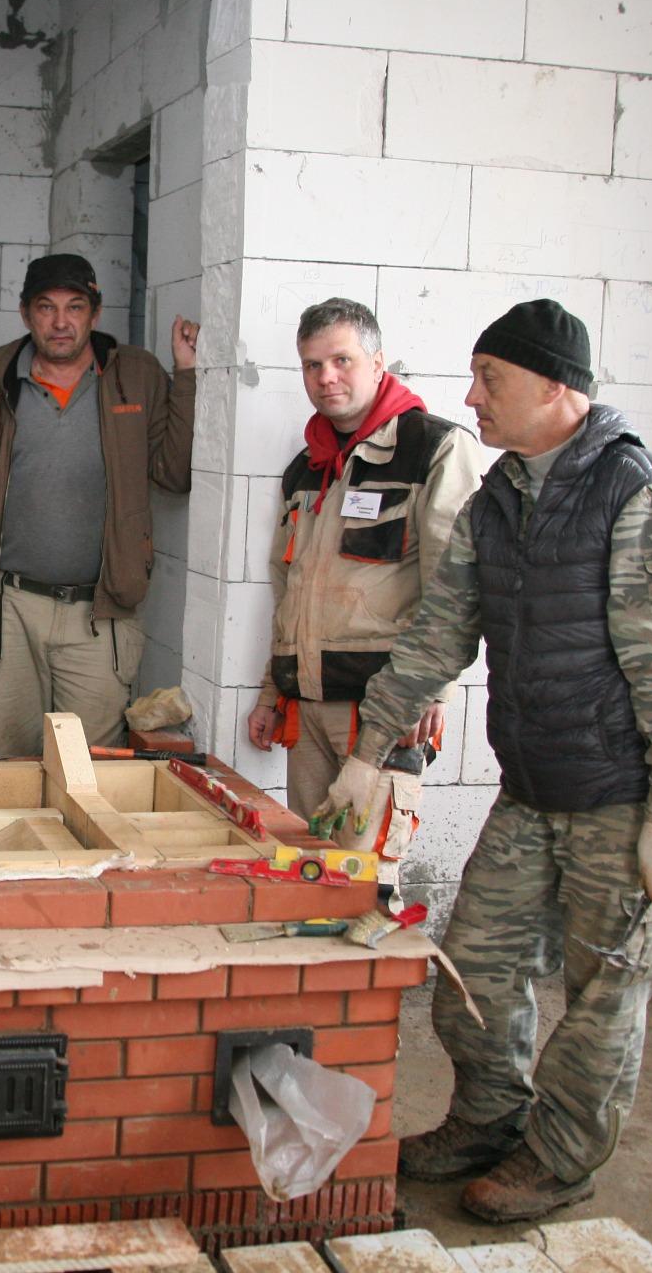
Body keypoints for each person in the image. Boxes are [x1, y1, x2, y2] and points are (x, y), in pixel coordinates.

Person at [314, 299, 652, 1222]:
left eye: (490, 378)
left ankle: (561, 1158)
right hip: (533, 790)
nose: (472, 396)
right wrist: (369, 751)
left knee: (603, 997)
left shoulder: (639, 497)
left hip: (623, 801)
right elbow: (438, 632)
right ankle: (489, 1119)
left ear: (553, 387)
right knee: (474, 968)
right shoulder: (500, 496)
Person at [244, 299, 481, 899]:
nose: (326, 377)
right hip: (308, 707)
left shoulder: (434, 449)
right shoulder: (307, 468)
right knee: (313, 876)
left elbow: (456, 585)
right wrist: (273, 692)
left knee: (364, 886)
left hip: (380, 710)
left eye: (341, 360)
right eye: (312, 365)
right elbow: (288, 591)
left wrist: (431, 692)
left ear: (378, 363)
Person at [0, 253, 199, 754]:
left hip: (100, 612)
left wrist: (187, 376)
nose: (61, 321)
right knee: (9, 761)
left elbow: (175, 475)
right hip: (10, 610)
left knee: (87, 767)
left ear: (95, 312)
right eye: (46, 307)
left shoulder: (136, 377)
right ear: (26, 313)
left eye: (75, 307)